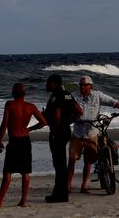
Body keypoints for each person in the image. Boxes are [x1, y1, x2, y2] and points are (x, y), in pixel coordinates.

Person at [0, 83, 47, 208]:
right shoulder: (30, 106)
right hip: (25, 141)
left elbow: (4, 123)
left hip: (14, 141)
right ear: (24, 94)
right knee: (25, 172)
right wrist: (29, 129)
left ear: (13, 93)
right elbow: (43, 122)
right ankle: (23, 201)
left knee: (8, 172)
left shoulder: (10, 104)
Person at [69, 75, 119, 193]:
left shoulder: (97, 95)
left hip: (92, 133)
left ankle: (84, 186)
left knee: (88, 161)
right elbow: (66, 108)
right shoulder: (74, 96)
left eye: (84, 85)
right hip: (77, 133)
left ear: (90, 85)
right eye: (80, 84)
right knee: (72, 160)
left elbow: (113, 102)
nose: (81, 87)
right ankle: (68, 185)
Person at [44, 74, 80, 203]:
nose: (46, 85)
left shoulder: (57, 95)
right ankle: (61, 193)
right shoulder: (67, 94)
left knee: (59, 164)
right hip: (66, 131)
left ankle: (60, 194)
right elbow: (79, 111)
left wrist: (54, 131)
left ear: (54, 83)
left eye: (48, 82)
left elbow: (57, 116)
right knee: (61, 164)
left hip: (58, 132)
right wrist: (69, 122)